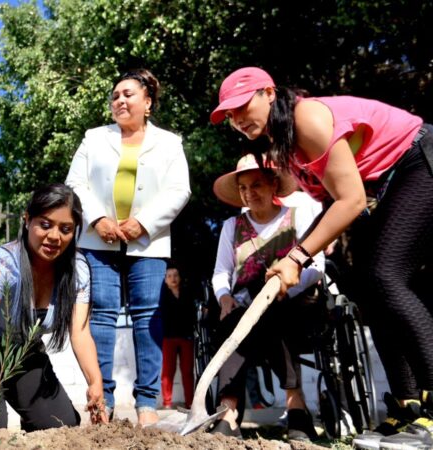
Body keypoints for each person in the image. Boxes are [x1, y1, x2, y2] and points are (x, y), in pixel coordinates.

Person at [211, 67, 433, 447]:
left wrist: (296, 257)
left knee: (384, 276)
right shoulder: (285, 147)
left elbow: (352, 199)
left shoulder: (306, 118)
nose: (237, 119)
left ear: (268, 92)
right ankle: (409, 406)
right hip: (384, 185)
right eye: (229, 115)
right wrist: (313, 244)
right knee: (366, 286)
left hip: (417, 163)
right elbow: (334, 198)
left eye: (242, 106)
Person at [66, 68, 191, 425]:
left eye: (128, 94)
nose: (119, 100)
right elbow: (75, 183)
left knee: (147, 315)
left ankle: (147, 405)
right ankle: (101, 401)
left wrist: (144, 222)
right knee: (101, 314)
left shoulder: (169, 143)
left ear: (147, 103)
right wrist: (97, 220)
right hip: (98, 240)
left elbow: (179, 190)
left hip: (147, 241)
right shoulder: (93, 138)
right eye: (115, 95)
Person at [0, 183, 107, 433]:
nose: (55, 236)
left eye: (65, 229)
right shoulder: (3, 263)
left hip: (26, 353)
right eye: (45, 224)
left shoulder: (78, 270)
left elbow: (80, 333)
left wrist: (95, 382)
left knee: (60, 426)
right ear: (27, 220)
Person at [210, 154, 324, 440]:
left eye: (256, 185)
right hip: (246, 307)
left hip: (295, 302)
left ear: (274, 184)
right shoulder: (230, 227)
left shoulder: (298, 216)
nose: (250, 193)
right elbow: (221, 273)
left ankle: (294, 404)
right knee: (234, 319)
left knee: (275, 313)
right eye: (243, 188)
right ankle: (228, 411)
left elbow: (317, 266)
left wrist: (283, 289)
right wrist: (224, 297)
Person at [159, 265, 196, 410]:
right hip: (168, 338)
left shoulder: (187, 293)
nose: (173, 278)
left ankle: (190, 403)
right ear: (165, 280)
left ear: (180, 278)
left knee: (187, 371)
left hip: (186, 337)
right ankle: (167, 403)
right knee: (168, 371)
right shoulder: (163, 295)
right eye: (169, 276)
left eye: (175, 275)